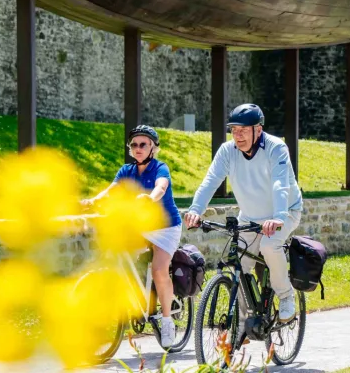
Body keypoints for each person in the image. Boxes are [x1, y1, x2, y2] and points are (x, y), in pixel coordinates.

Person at [184, 104, 303, 345]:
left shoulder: (276, 148)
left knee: (269, 246)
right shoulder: (228, 151)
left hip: (285, 213)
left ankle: (286, 296)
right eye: (234, 130)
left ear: (258, 130)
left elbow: (280, 184)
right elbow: (210, 181)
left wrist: (279, 216)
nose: (237, 136)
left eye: (243, 130)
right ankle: (240, 324)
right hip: (249, 217)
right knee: (238, 264)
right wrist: (196, 210)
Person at [81, 125, 183, 348]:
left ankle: (167, 321)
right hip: (140, 225)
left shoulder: (160, 168)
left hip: (166, 228)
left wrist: (150, 198)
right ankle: (135, 299)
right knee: (118, 253)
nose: (138, 148)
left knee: (159, 270)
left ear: (153, 147)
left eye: (143, 144)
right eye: (134, 144)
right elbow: (111, 190)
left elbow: (161, 187)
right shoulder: (126, 171)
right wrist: (93, 201)